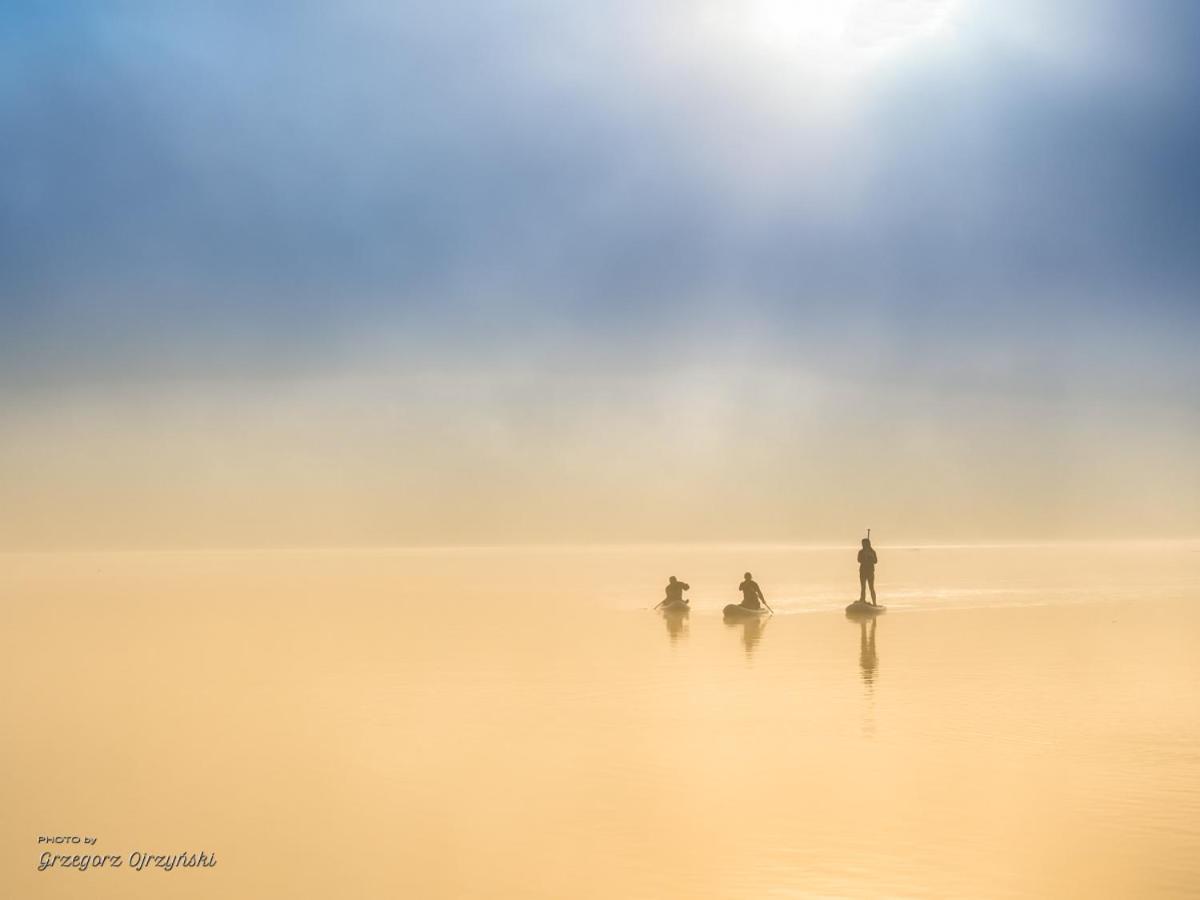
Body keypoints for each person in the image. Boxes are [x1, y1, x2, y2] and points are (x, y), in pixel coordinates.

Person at [857, 537, 879, 605]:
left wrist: (870, 556)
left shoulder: (872, 552)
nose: (863, 545)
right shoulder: (861, 552)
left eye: (864, 544)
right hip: (862, 572)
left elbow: (875, 561)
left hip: (870, 572)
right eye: (862, 544)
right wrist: (864, 556)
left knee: (871, 587)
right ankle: (862, 600)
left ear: (868, 544)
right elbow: (859, 560)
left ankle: (874, 603)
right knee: (863, 587)